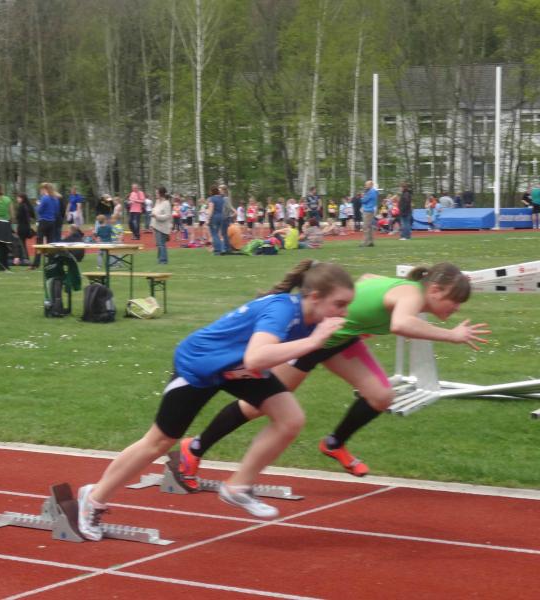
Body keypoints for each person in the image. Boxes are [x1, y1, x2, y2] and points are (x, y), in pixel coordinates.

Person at [75, 260, 353, 539]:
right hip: (200, 366)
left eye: (347, 306)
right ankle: (94, 497)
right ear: (314, 297)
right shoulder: (283, 310)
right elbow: (256, 356)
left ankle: (238, 487)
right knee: (159, 441)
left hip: (236, 370)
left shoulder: (312, 320)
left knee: (290, 419)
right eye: (339, 304)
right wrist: (314, 341)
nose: (344, 313)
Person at [178, 263, 489, 485]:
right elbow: (401, 324)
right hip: (313, 340)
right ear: (435, 290)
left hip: (341, 341)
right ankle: (194, 447)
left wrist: (360, 316)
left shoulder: (404, 289)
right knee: (257, 406)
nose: (456, 309)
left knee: (381, 396)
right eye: (455, 301)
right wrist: (452, 336)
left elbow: (367, 279)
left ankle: (333, 443)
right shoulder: (412, 294)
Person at [31, 183, 61, 270]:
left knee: (39, 243)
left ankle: (36, 263)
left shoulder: (44, 198)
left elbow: (39, 211)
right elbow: (57, 211)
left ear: (45, 189)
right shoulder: (55, 198)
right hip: (52, 222)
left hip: (43, 221)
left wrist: (38, 205)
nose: (40, 191)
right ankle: (51, 262)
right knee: (50, 243)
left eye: (41, 189)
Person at [150, 186, 172, 265]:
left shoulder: (166, 203)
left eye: (157, 193)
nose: (156, 194)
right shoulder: (157, 202)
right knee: (159, 244)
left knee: (161, 244)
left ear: (161, 194)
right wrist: (151, 224)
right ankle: (160, 260)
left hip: (162, 227)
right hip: (156, 226)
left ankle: (163, 260)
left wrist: (156, 216)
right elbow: (154, 211)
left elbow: (167, 216)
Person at [15, 193, 35, 265]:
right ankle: (25, 258)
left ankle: (25, 258)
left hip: (21, 226)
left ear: (22, 198)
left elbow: (18, 217)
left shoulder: (21, 206)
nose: (17, 199)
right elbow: (33, 216)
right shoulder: (28, 206)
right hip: (27, 227)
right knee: (23, 243)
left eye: (18, 198)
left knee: (21, 243)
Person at [206, 186, 226, 255]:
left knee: (214, 234)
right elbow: (223, 209)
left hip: (214, 217)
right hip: (221, 216)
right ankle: (223, 248)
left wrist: (208, 219)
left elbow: (211, 210)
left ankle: (218, 250)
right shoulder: (222, 199)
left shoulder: (212, 199)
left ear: (212, 191)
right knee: (219, 234)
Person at [360, 180, 378, 247]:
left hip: (367, 210)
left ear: (371, 185)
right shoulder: (373, 192)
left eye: (366, 185)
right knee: (369, 227)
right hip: (370, 210)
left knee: (366, 227)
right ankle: (370, 242)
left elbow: (364, 200)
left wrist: (362, 197)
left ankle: (365, 242)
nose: (365, 186)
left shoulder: (371, 192)